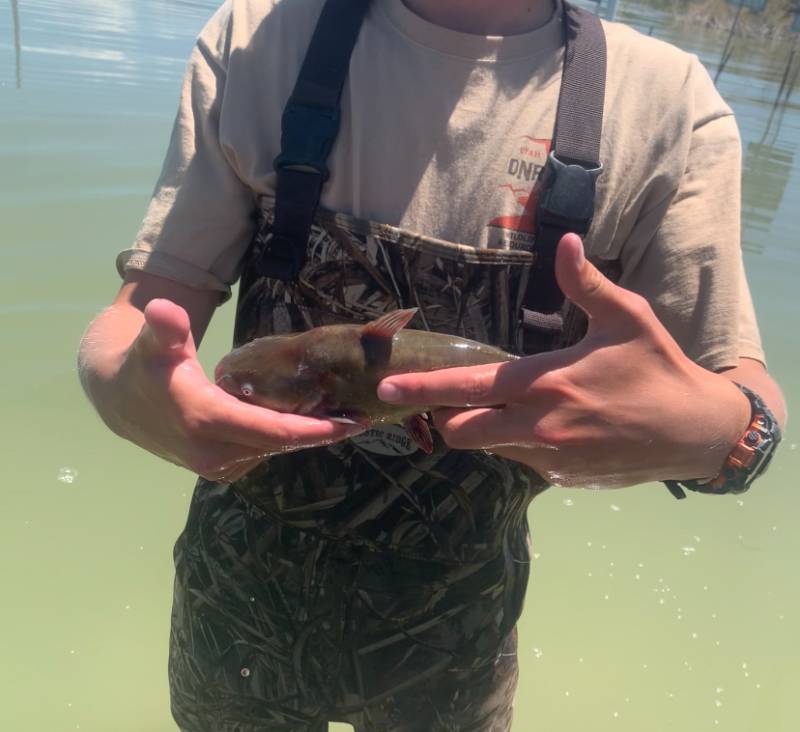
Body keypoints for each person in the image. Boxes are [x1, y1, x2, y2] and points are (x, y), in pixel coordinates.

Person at [78, 0, 787, 730]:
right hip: (231, 621)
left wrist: (718, 437)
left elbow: (738, 396)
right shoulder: (259, 38)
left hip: (455, 651)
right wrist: (118, 387)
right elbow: (141, 313)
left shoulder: (666, 106)